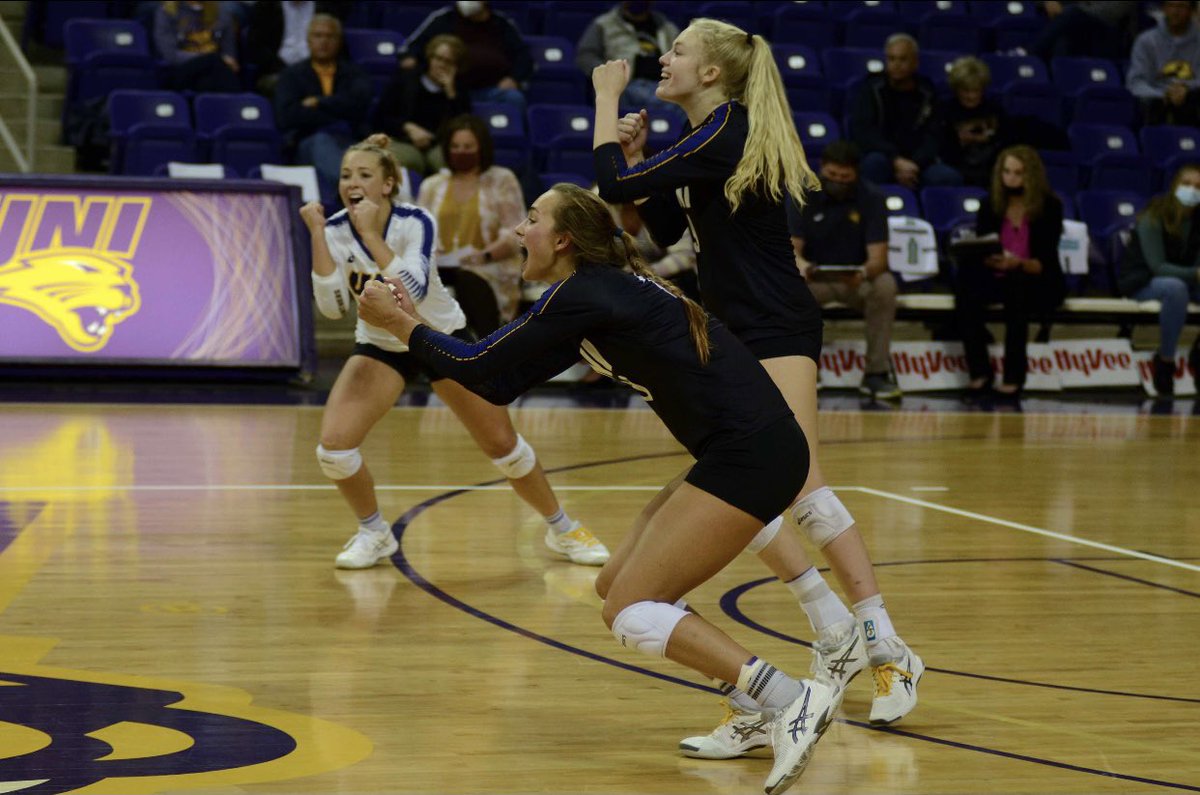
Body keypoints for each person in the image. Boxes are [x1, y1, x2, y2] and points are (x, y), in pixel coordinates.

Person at [356, 182, 839, 795]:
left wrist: (401, 324)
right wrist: (413, 321)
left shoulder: (584, 293)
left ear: (562, 240)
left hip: (753, 457)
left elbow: (479, 368)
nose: (517, 230)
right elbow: (495, 381)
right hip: (740, 452)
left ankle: (789, 697)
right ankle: (754, 711)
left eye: (530, 220)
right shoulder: (590, 293)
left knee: (633, 611)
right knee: (617, 588)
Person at [590, 17, 924, 752]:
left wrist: (604, 102)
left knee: (798, 482)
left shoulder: (726, 130)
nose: (664, 59)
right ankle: (823, 640)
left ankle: (884, 644)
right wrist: (642, 155)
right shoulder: (700, 141)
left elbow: (609, 178)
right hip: (734, 330)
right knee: (748, 485)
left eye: (678, 51)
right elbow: (665, 237)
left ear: (712, 73)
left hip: (774, 325)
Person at [298, 134, 608, 570]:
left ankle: (563, 529)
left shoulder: (416, 220)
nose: (353, 182)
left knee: (504, 446)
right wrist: (316, 233)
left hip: (438, 337)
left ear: (388, 185)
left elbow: (413, 293)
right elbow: (331, 309)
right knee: (333, 449)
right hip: (380, 345)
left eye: (365, 175)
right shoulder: (332, 230)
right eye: (347, 175)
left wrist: (370, 235)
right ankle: (373, 531)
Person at [786, 140, 900, 400]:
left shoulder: (871, 198)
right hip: (816, 281)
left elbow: (879, 258)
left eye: (844, 177)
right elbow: (793, 250)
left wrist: (864, 272)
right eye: (832, 175)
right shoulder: (803, 194)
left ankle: (876, 374)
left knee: (885, 286)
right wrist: (803, 266)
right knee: (788, 285)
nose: (837, 181)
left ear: (856, 174)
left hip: (855, 281)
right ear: (822, 168)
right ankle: (804, 370)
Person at [954, 145, 1065, 398]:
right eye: (1006, 172)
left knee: (1018, 287)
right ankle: (980, 373)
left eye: (1018, 173)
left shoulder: (1050, 207)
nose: (1011, 178)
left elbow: (1044, 259)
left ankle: (1014, 377)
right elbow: (985, 244)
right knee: (965, 284)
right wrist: (990, 259)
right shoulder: (989, 204)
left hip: (1036, 276)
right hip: (998, 273)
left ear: (1031, 176)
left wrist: (1017, 263)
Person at [416, 115, 526, 335]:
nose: (461, 151)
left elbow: (516, 233)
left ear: (481, 148)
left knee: (468, 278)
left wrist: (484, 255)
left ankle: (487, 345)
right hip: (442, 266)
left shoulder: (502, 179)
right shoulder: (431, 185)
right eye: (455, 146)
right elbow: (420, 233)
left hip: (489, 265)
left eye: (467, 146)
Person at [1117, 162, 1200, 396]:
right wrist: (1195, 274)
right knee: (1176, 288)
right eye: (1187, 184)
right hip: (1142, 280)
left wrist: (1196, 273)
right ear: (1174, 186)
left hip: (1184, 280)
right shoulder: (1154, 215)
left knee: (1180, 286)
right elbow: (1158, 266)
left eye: (1198, 186)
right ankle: (1165, 360)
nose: (1193, 190)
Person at [275, 14, 372, 207]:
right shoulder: (291, 75)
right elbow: (288, 116)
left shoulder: (353, 73)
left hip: (350, 139)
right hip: (307, 141)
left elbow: (359, 106)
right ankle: (354, 192)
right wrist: (336, 112)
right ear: (309, 40)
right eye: (318, 36)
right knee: (322, 142)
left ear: (339, 41)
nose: (324, 42)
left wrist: (319, 103)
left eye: (330, 36)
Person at [850, 34, 962, 189]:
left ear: (915, 62)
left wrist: (914, 164)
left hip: (918, 163)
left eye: (903, 59)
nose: (896, 65)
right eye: (891, 59)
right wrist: (895, 160)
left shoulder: (928, 92)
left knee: (948, 177)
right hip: (883, 156)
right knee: (874, 164)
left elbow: (934, 135)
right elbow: (864, 132)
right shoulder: (871, 89)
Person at [399, 2, 531, 111]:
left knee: (514, 98)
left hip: (492, 90)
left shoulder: (502, 23)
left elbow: (524, 57)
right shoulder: (445, 18)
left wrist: (514, 79)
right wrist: (410, 57)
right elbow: (411, 47)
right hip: (450, 87)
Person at [374, 34, 471, 175]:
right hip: (402, 140)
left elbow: (464, 128)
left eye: (449, 62)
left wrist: (451, 94)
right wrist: (407, 127)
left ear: (457, 67)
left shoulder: (459, 91)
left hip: (439, 146)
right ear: (430, 58)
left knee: (450, 160)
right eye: (438, 58)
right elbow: (380, 117)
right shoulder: (406, 80)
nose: (442, 65)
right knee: (403, 160)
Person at [576, 2, 681, 120]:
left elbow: (681, 54)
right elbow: (586, 55)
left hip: (663, 83)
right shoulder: (604, 24)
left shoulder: (666, 27)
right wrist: (609, 75)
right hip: (627, 84)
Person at [244, 0, 348, 96]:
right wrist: (286, 71)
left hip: (319, 71)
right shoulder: (266, 6)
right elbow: (256, 46)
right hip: (277, 72)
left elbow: (338, 46)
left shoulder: (327, 7)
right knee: (283, 86)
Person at [1127, 0, 1200, 128]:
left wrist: (1187, 89)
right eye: (1171, 5)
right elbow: (1136, 82)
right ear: (1164, 9)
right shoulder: (1146, 41)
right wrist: (1164, 95)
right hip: (1156, 103)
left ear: (1192, 12)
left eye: (1181, 6)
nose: (1175, 11)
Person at [940, 56, 1009, 190]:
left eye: (976, 90)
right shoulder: (945, 110)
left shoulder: (995, 110)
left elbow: (1004, 142)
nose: (971, 96)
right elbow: (943, 149)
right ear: (956, 89)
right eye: (966, 91)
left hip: (989, 167)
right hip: (957, 167)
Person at [153, 0, 241, 94]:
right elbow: (170, 55)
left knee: (207, 81)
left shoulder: (222, 12)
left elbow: (229, 54)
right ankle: (241, 102)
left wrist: (224, 60)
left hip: (214, 70)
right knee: (214, 61)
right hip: (182, 69)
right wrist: (209, 59)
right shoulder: (168, 11)